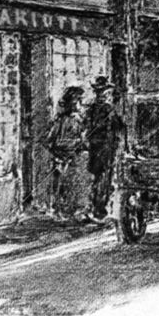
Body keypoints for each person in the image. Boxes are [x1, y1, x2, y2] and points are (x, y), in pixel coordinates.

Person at [84, 77, 125, 221]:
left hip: (101, 147)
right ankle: (98, 208)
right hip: (100, 147)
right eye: (100, 92)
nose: (103, 95)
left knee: (101, 178)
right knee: (100, 178)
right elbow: (118, 127)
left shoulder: (102, 109)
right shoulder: (100, 109)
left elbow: (118, 127)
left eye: (104, 92)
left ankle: (98, 208)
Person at [47, 86, 85, 218]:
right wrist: (58, 152)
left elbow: (83, 137)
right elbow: (50, 140)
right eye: (74, 102)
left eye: (78, 102)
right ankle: (58, 210)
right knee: (60, 185)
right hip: (61, 157)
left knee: (73, 185)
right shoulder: (61, 120)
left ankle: (72, 210)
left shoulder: (80, 120)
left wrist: (81, 143)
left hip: (75, 157)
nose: (76, 105)